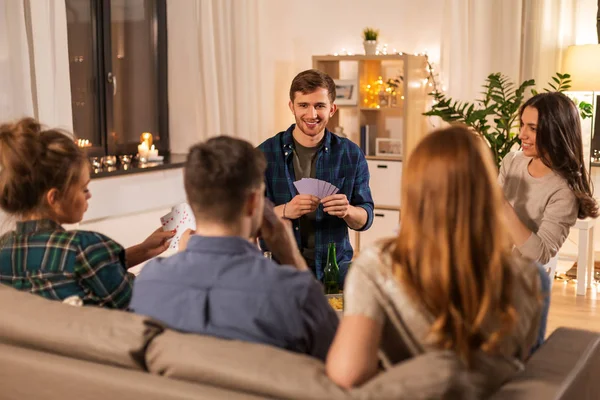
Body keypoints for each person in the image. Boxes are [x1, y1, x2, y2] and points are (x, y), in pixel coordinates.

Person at [326, 126, 542, 396]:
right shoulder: (526, 276)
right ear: (487, 189)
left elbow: (347, 373)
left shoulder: (376, 267)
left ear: (415, 190)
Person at [130, 136, 338, 361]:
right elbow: (338, 360)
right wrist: (291, 258)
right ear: (253, 202)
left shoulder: (149, 282)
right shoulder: (293, 292)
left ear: (191, 198)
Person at [0, 118, 174, 308]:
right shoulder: (85, 247)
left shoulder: (6, 247)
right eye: (83, 189)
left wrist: (143, 250)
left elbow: (75, 271)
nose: (89, 195)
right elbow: (142, 305)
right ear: (54, 198)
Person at [258, 69, 374, 283]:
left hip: (334, 271)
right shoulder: (264, 154)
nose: (312, 115)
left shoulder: (350, 154)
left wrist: (347, 211)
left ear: (332, 109)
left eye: (319, 106)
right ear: (291, 106)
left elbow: (365, 219)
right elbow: (249, 220)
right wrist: (285, 210)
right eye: (304, 105)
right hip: (279, 271)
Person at [500, 92, 598, 265]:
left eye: (533, 128)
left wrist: (502, 205)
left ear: (556, 132)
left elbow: (540, 254)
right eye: (522, 124)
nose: (522, 134)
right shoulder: (512, 161)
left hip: (519, 281)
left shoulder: (563, 191)